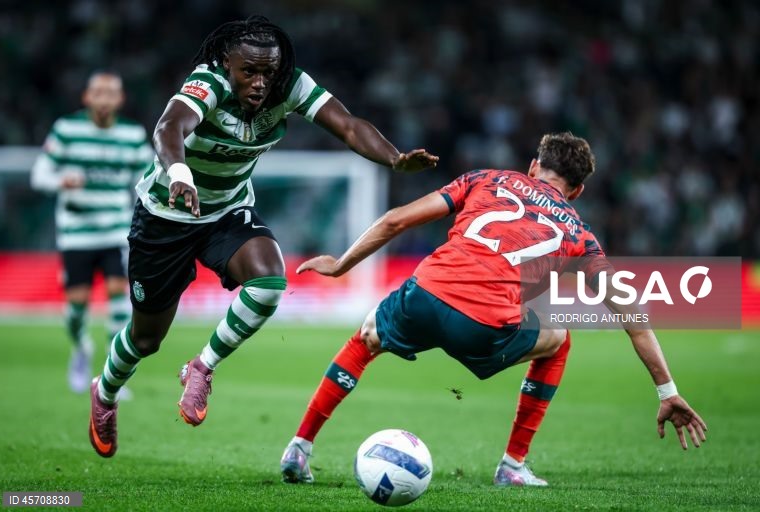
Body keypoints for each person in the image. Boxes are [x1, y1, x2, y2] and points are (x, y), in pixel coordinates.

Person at [87, 16, 438, 458]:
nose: (259, 82)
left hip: (226, 212)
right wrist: (179, 173)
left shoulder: (289, 85)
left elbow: (348, 125)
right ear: (227, 65)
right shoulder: (208, 81)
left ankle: (201, 368)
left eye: (267, 72)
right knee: (145, 339)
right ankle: (106, 392)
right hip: (167, 215)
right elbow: (168, 128)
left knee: (270, 280)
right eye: (248, 72)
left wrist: (395, 158)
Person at [279, 132, 707, 486]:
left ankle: (299, 448)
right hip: (483, 326)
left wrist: (340, 265)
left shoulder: (486, 178)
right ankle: (513, 466)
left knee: (368, 335)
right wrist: (667, 391)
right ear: (576, 191)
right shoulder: (580, 234)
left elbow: (395, 220)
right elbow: (631, 315)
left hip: (424, 297)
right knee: (557, 338)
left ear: (533, 166)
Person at [31, 71, 152, 397]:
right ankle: (81, 348)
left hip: (115, 229)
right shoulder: (67, 130)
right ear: (86, 97)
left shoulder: (132, 134)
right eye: (98, 92)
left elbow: (148, 177)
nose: (104, 98)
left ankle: (112, 373)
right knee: (77, 304)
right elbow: (39, 173)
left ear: (120, 100)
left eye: (111, 93)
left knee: (118, 292)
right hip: (76, 232)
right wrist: (60, 181)